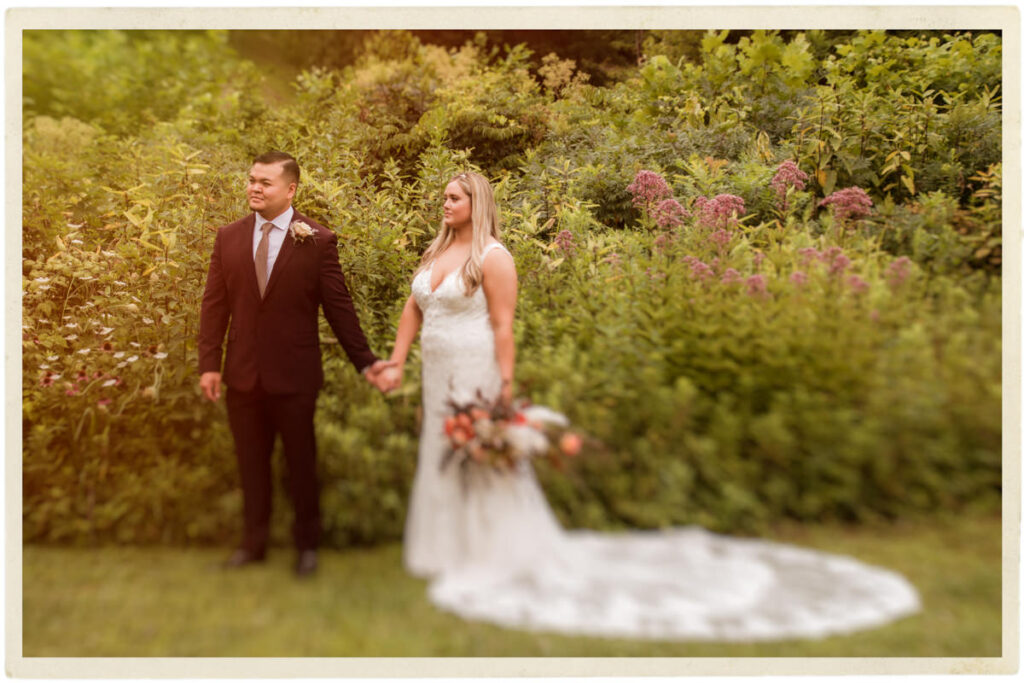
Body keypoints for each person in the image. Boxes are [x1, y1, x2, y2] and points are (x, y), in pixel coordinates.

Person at [375, 171, 921, 641]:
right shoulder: (434, 252)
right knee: (440, 450)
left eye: (454, 198)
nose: (445, 205)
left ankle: (492, 554)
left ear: (478, 205)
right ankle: (445, 551)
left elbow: (502, 323)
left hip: (476, 369)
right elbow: (412, 312)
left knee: (483, 456)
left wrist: (506, 386)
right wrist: (398, 361)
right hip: (436, 372)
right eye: (444, 198)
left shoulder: (493, 257)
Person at [198, 151, 393, 578]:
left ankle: (307, 546)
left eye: (265, 182)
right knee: (251, 463)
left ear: (290, 190)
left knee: (300, 462)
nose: (254, 187)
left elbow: (339, 309)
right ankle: (254, 543)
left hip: (295, 376)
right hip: (243, 373)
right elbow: (214, 307)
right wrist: (209, 364)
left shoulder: (318, 240)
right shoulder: (227, 237)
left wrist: (367, 363)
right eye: (252, 179)